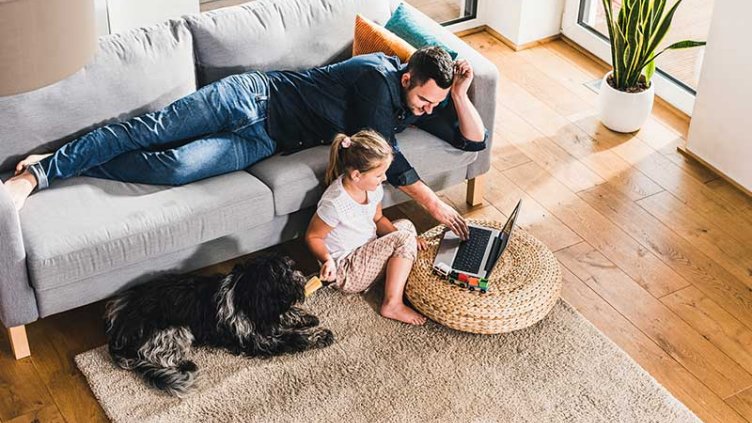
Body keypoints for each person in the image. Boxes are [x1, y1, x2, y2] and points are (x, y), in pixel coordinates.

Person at [4, 46, 487, 238]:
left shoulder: (430, 95)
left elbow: (472, 142)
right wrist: (435, 206)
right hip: (250, 98)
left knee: (173, 169)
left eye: (432, 105)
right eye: (423, 100)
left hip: (266, 139)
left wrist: (460, 95)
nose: (426, 111)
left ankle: (69, 160)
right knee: (148, 131)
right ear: (407, 77)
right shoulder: (374, 79)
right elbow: (389, 150)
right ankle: (38, 174)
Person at [305, 130, 427, 325]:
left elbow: (378, 219)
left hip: (366, 249)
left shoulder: (372, 187)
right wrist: (327, 260)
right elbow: (313, 237)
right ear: (356, 175)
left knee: (406, 226)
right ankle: (392, 304)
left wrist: (406, 237)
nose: (385, 178)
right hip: (347, 271)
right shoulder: (335, 203)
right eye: (379, 175)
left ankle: (401, 275)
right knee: (404, 238)